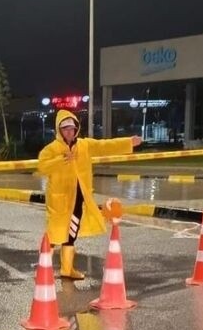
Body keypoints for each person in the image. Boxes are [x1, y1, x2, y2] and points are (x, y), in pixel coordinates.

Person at [36, 110, 141, 279]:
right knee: (54, 235)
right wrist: (61, 160)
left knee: (71, 234)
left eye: (72, 128)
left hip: (78, 199)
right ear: (59, 130)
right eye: (65, 129)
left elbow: (105, 146)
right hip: (59, 201)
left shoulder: (84, 145)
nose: (69, 132)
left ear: (76, 129)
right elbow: (42, 167)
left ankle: (67, 269)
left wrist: (128, 142)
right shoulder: (52, 149)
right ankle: (43, 268)